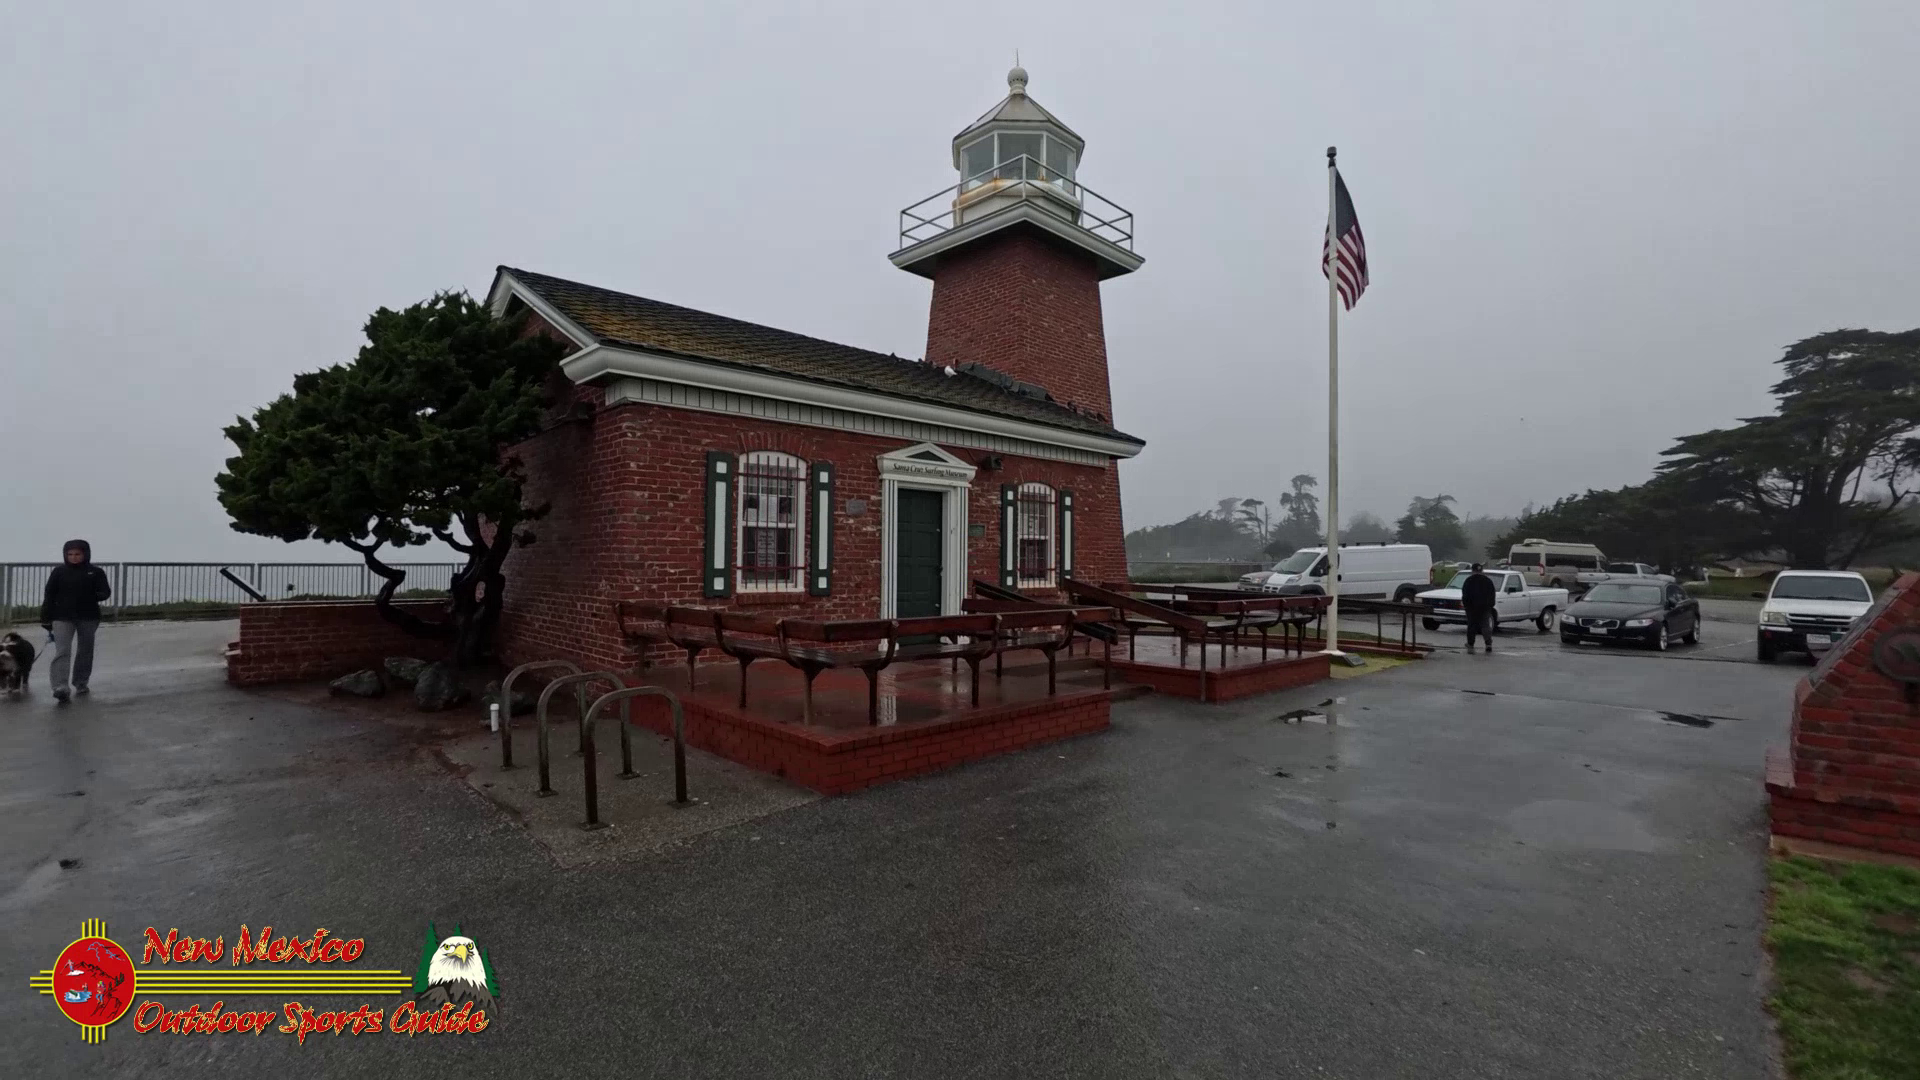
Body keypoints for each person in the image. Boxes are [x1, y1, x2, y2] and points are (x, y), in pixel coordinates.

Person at [41, 539, 111, 702]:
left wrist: (93, 595)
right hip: (62, 617)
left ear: (85, 554)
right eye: (70, 554)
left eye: (77, 554)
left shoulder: (96, 572)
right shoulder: (58, 572)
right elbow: (49, 595)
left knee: (85, 650)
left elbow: (105, 592)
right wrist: (45, 618)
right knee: (62, 651)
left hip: (88, 616)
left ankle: (81, 682)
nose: (73, 557)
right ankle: (60, 686)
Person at [1461, 562, 1497, 654]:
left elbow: (1465, 595)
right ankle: (1488, 644)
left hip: (1471, 608)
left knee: (1472, 626)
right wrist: (1490, 605)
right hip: (1485, 607)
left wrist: (1466, 606)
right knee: (1485, 625)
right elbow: (1492, 594)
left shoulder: (1468, 581)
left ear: (1472, 570)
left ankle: (1470, 644)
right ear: (1481, 570)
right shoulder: (1488, 581)